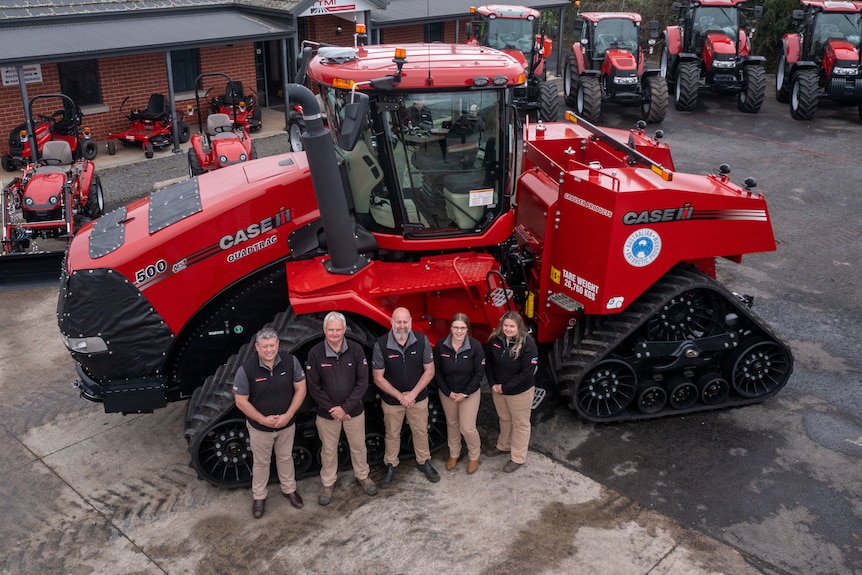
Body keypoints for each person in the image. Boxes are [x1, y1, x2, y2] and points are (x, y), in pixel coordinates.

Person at [233, 327, 307, 518]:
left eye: (272, 345)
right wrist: (262, 420)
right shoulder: (246, 369)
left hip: (286, 424)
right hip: (260, 428)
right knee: (261, 462)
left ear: (278, 345)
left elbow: (301, 389)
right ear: (257, 347)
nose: (269, 350)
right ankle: (259, 497)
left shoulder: (291, 362)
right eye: (264, 346)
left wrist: (288, 415)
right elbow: (240, 400)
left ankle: (289, 490)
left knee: (285, 458)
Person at [305, 312, 377, 506]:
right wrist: (334, 409)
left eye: (338, 329)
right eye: (331, 329)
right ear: (324, 330)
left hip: (353, 412)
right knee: (328, 450)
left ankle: (363, 476)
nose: (334, 333)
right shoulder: (315, 353)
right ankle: (328, 483)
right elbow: (314, 387)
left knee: (358, 446)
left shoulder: (356, 350)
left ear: (344, 330)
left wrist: (345, 408)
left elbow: (362, 383)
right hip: (327, 415)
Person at [372, 307, 440, 487]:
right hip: (393, 402)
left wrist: (413, 394)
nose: (401, 326)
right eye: (398, 322)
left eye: (405, 322)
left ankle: (424, 461)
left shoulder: (421, 340)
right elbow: (378, 377)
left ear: (410, 322)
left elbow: (430, 370)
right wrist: (399, 396)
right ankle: (391, 465)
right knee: (392, 434)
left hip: (417, 398)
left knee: (420, 431)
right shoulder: (381, 344)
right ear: (391, 323)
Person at [484, 311, 538, 473]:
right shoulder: (495, 340)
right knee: (504, 419)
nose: (508, 329)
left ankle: (518, 457)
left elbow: (527, 373)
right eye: (505, 325)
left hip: (519, 392)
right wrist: (493, 383)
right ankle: (504, 446)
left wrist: (505, 387)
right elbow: (489, 364)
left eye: (511, 326)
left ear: (519, 327)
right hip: (498, 389)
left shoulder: (528, 345)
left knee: (520, 424)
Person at [433, 313, 485, 474]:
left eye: (462, 328)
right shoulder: (442, 345)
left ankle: (474, 456)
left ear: (467, 329)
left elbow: (479, 374)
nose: (459, 331)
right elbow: (437, 372)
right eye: (456, 327)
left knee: (467, 428)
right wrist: (448, 392)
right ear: (451, 328)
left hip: (469, 393)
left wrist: (465, 393)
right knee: (452, 424)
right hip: (448, 393)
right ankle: (454, 454)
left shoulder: (475, 347)